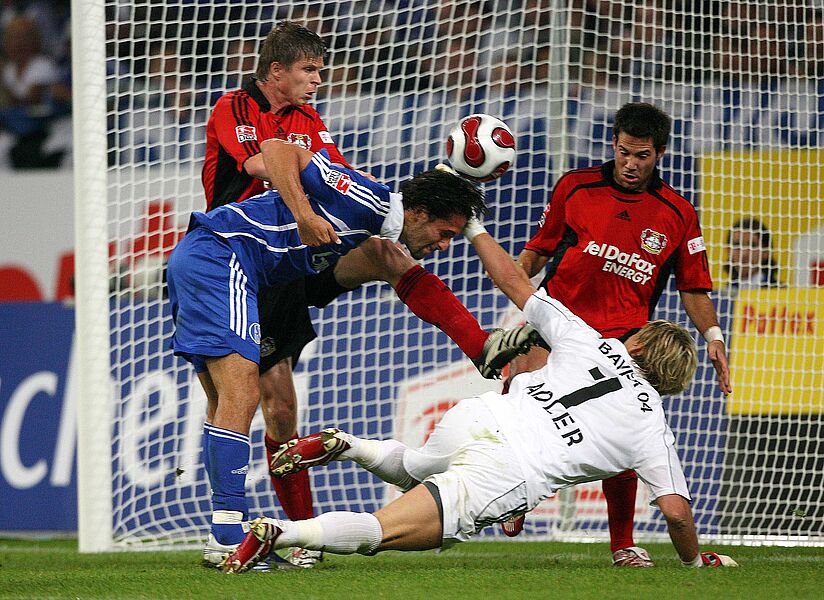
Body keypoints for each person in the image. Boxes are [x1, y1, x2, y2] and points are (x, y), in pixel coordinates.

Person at [217, 226, 738, 573]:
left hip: (478, 416)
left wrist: (472, 227)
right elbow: (675, 513)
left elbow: (513, 280)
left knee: (416, 470)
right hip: (509, 471)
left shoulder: (588, 339)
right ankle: (281, 533)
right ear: (669, 381)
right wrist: (694, 561)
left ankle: (349, 445)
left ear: (638, 344)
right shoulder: (653, 427)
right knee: (382, 533)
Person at [169, 138, 539, 571]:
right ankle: (228, 536)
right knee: (243, 396)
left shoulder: (376, 222)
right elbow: (277, 149)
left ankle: (225, 531)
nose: (443, 246)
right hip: (223, 256)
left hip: (208, 260)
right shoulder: (368, 199)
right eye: (444, 235)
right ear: (418, 213)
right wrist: (305, 216)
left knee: (223, 403)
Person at [505, 102, 732, 566]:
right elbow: (538, 250)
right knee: (519, 402)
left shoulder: (677, 213)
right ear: (614, 143)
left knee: (624, 438)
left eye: (642, 156)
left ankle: (623, 544)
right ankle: (512, 494)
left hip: (624, 339)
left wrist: (713, 335)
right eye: (624, 152)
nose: (630, 164)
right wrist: (518, 304)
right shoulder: (575, 187)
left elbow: (693, 286)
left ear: (660, 154)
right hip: (559, 321)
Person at [724, 217, 781, 290]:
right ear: (728, 250)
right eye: (737, 245)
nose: (744, 253)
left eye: (752, 245)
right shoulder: (722, 294)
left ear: (766, 252)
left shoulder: (781, 292)